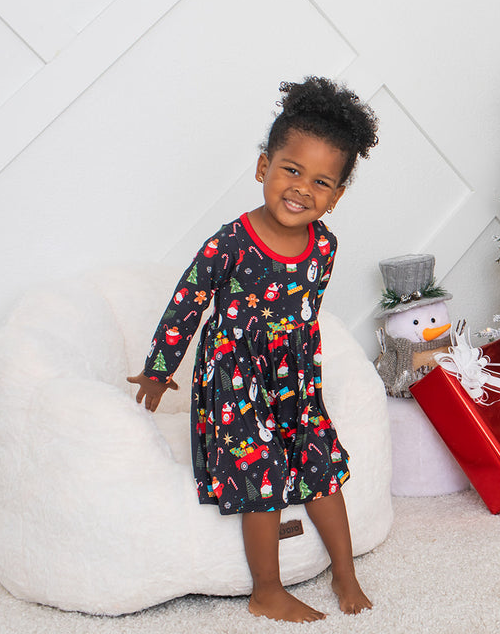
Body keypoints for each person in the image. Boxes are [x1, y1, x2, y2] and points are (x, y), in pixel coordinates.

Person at [128, 76, 379, 623]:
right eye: (291, 170)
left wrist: (298, 377)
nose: (301, 189)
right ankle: (267, 590)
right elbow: (187, 302)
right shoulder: (230, 242)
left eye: (321, 182)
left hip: (295, 378)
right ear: (264, 166)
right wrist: (158, 370)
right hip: (235, 380)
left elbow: (303, 316)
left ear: (336, 196)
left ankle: (345, 572)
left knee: (321, 466)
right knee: (261, 474)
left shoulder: (326, 246)